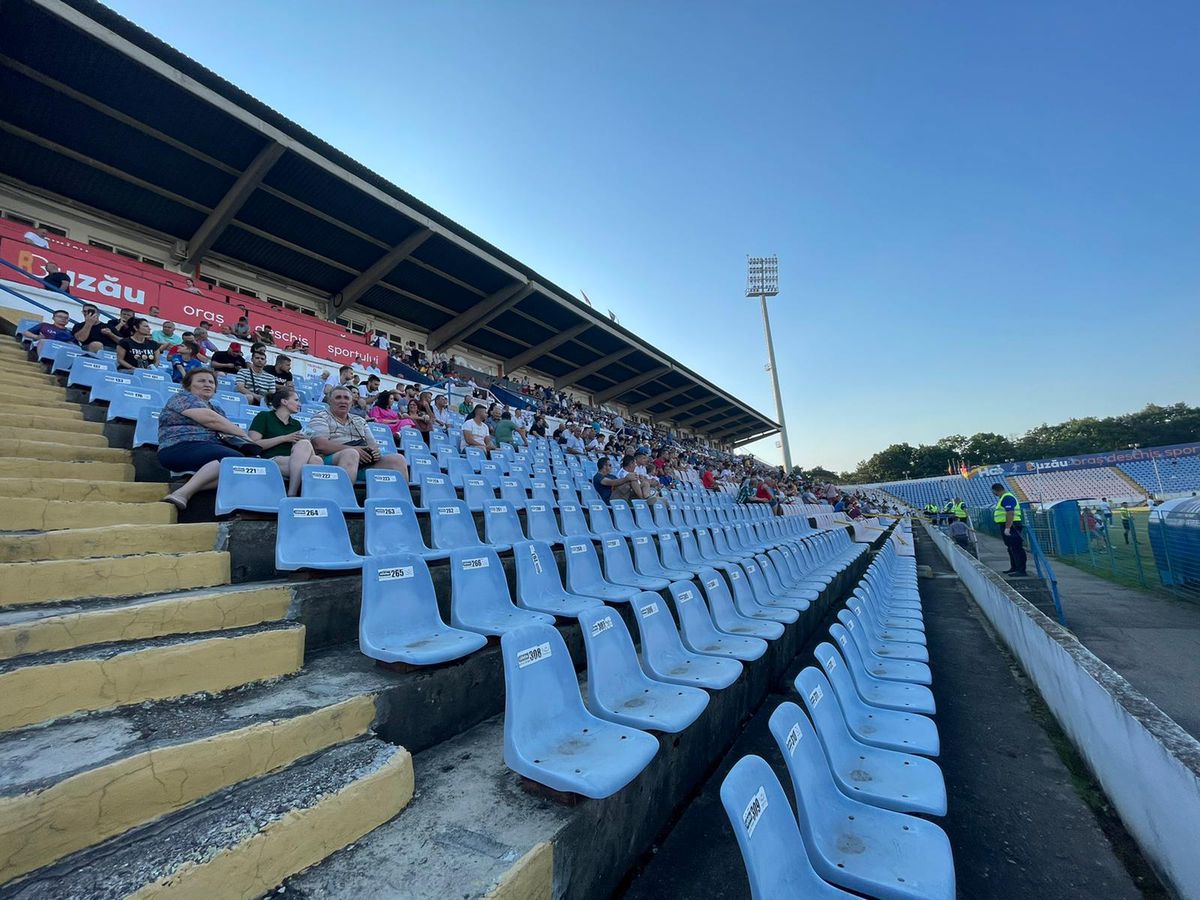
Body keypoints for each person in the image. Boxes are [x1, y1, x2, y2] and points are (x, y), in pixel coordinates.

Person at [157, 368, 252, 510]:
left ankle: (190, 487)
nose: (207, 384)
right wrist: (245, 436)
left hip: (208, 449)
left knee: (245, 466)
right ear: (188, 385)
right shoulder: (183, 398)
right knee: (233, 460)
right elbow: (212, 421)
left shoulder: (217, 409)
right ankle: (182, 493)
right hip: (179, 447)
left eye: (211, 382)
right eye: (201, 381)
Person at [308, 386, 408, 482]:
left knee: (398, 459)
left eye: (346, 398)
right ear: (330, 401)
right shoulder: (320, 417)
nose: (343, 401)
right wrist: (353, 449)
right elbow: (319, 444)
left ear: (351, 402)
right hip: (332, 460)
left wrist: (375, 452)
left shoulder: (360, 420)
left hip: (363, 462)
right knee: (351, 454)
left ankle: (405, 498)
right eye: (338, 397)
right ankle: (345, 498)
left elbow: (373, 445)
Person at [244, 387, 321, 496]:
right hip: (270, 460)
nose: (299, 404)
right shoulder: (264, 416)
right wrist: (284, 438)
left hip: (293, 462)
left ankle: (298, 495)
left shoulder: (296, 424)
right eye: (296, 400)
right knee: (313, 462)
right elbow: (253, 444)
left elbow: (298, 451)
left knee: (316, 459)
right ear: (284, 401)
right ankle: (294, 494)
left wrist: (300, 441)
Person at [991, 482, 1027, 576]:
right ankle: (1014, 567)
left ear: (995, 490)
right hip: (1008, 525)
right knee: (1011, 548)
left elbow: (1010, 513)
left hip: (1012, 525)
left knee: (1016, 548)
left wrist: (1007, 528)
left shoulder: (1007, 497)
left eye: (993, 492)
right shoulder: (1004, 498)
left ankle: (1021, 571)